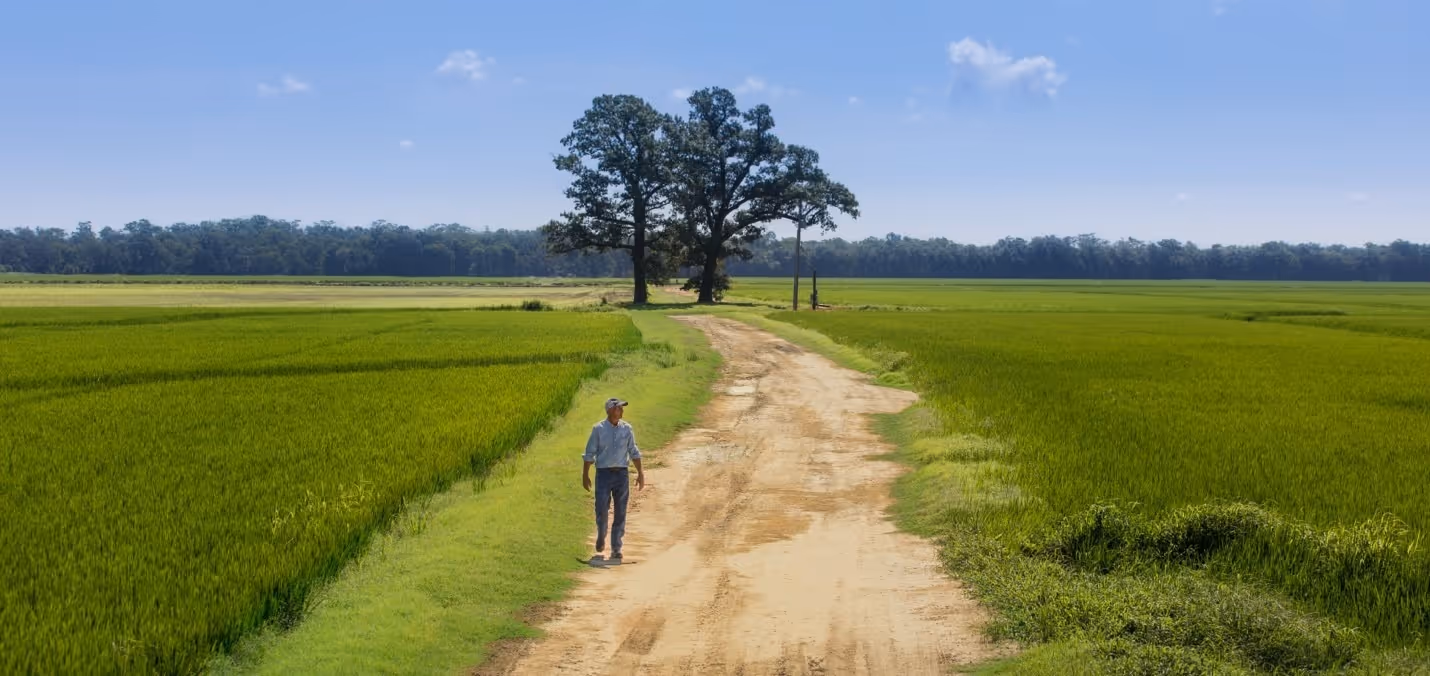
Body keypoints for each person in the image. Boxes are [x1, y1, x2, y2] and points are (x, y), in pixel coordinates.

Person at [582, 397, 645, 564]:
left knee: (620, 512)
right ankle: (601, 535)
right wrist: (585, 474)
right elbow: (589, 453)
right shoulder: (598, 429)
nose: (621, 411)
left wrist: (640, 473)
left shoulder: (627, 429)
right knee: (601, 509)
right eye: (618, 408)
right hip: (603, 474)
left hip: (622, 475)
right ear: (609, 410)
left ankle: (616, 548)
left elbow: (633, 451)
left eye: (622, 409)